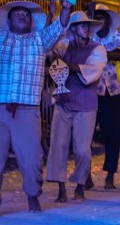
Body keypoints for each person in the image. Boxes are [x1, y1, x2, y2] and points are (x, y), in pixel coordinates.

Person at [0, 0, 71, 218]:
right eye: (18, 13)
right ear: (9, 18)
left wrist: (67, 7)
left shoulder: (40, 40)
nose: (23, 15)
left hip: (27, 110)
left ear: (32, 21)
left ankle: (32, 195)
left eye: (27, 14)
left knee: (32, 159)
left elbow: (61, 26)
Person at [46, 11, 106, 202]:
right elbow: (49, 49)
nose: (86, 28)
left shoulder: (98, 49)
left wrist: (65, 65)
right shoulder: (65, 45)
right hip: (63, 103)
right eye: (82, 25)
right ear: (73, 28)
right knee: (58, 146)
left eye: (87, 25)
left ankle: (80, 185)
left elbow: (90, 72)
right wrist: (50, 20)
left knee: (82, 149)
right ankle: (61, 188)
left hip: (86, 105)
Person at [88, 3, 120, 190]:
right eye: (95, 17)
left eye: (101, 17)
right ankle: (85, 174)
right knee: (85, 135)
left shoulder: (118, 36)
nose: (98, 21)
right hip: (91, 91)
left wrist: (95, 53)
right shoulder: (88, 36)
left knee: (112, 135)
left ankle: (110, 174)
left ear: (108, 20)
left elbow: (117, 56)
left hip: (113, 92)